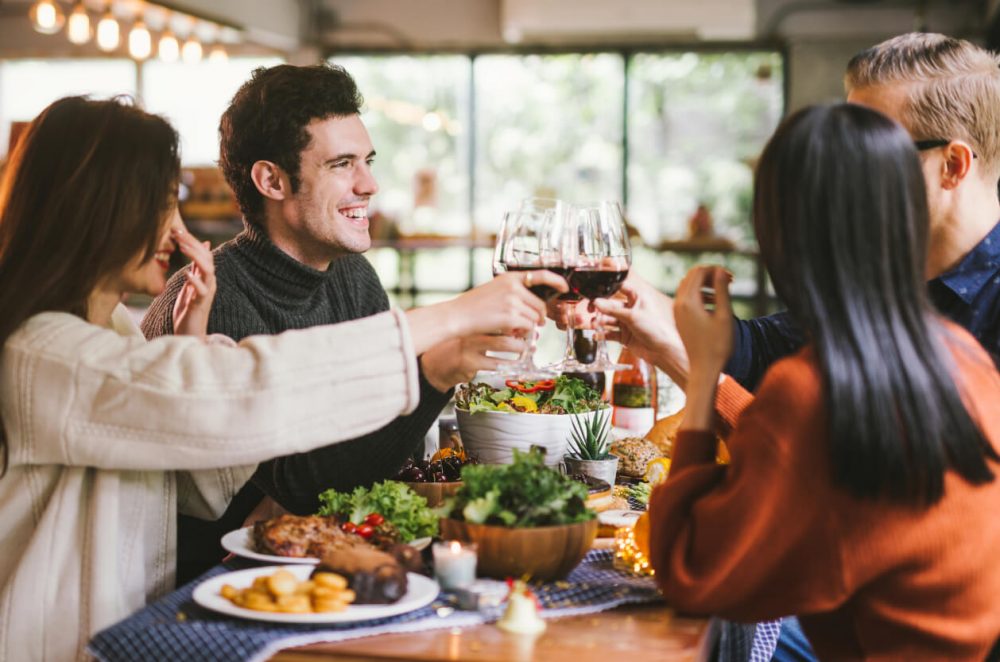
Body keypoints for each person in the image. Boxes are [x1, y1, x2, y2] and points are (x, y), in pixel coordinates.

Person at [0, 95, 563, 661]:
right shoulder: (40, 353)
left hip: (146, 630)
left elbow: (197, 484)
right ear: (98, 212)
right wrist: (449, 319)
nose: (179, 228)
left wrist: (193, 348)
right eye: (162, 205)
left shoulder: (113, 332)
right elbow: (245, 392)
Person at [602, 102, 1000, 658]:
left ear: (782, 234)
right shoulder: (964, 359)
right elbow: (814, 461)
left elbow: (690, 570)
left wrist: (702, 379)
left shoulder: (817, 387)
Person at [141, 63, 522, 582]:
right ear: (272, 180)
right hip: (220, 591)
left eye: (366, 160)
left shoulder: (353, 277)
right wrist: (434, 373)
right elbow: (301, 490)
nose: (370, 184)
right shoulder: (213, 298)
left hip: (329, 567)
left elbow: (384, 457)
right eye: (342, 164)